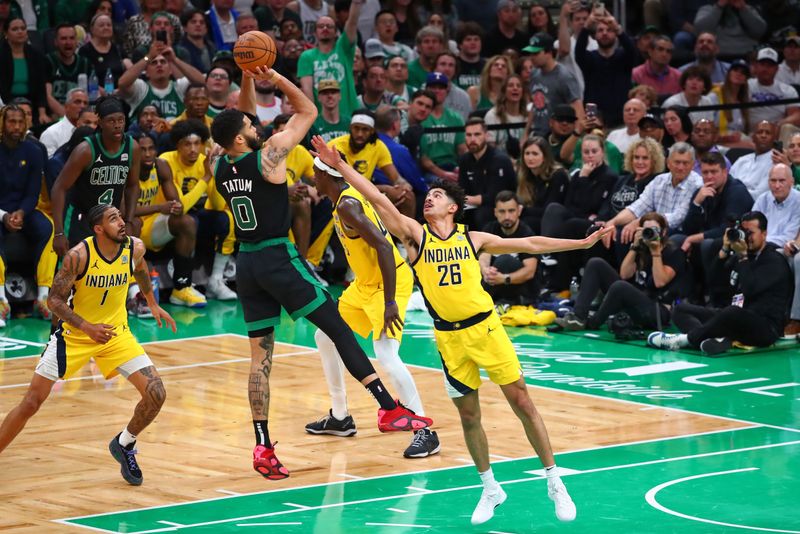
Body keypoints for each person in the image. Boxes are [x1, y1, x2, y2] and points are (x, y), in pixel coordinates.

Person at [310, 134, 608, 526]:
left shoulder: (474, 238)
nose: (429, 198)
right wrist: (342, 166)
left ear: (453, 207)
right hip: (448, 338)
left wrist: (580, 242)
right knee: (469, 417)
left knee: (522, 403)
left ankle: (555, 482)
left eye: (436, 195)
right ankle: (490, 488)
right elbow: (379, 200)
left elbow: (531, 242)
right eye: (428, 195)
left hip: (486, 330)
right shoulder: (415, 236)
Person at [209, 66, 432, 479]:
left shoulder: (221, 165)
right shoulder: (271, 155)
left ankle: (262, 447)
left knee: (260, 360)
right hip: (279, 257)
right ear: (242, 137)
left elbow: (238, 122)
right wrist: (273, 76)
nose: (256, 123)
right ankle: (387, 409)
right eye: (250, 123)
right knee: (337, 328)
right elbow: (308, 109)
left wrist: (244, 77)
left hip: (248, 265)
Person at [0, 203, 176, 485]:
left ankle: (125, 443)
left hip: (116, 334)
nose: (121, 222)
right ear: (98, 229)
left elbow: (140, 269)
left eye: (120, 216)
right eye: (113, 219)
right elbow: (54, 300)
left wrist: (152, 303)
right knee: (31, 402)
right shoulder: (77, 256)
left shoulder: (134, 247)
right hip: (75, 337)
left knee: (157, 393)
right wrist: (86, 327)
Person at [307, 151, 439, 458]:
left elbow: (382, 245)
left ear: (328, 176)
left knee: (386, 355)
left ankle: (425, 431)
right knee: (324, 335)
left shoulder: (349, 206)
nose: (313, 177)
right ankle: (340, 417)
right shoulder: (343, 198)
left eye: (316, 172)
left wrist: (391, 301)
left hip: (387, 284)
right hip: (364, 285)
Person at [649, 211, 792, 355]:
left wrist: (742, 258)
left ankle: (686, 340)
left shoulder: (774, 260)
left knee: (731, 312)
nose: (746, 237)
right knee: (681, 309)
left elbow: (750, 289)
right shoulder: (742, 255)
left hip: (765, 327)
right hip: (734, 318)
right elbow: (712, 280)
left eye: (750, 233)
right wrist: (724, 249)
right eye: (743, 232)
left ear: (764, 234)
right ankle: (711, 339)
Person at [557, 212, 684, 331]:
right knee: (596, 263)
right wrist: (634, 246)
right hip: (634, 301)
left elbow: (660, 282)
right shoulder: (641, 248)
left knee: (620, 286)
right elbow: (624, 275)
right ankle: (578, 317)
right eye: (646, 230)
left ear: (664, 232)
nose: (650, 233)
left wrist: (655, 252)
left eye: (655, 230)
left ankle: (593, 322)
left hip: (657, 310)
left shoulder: (674, 252)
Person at [51, 97, 141, 257]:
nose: (118, 125)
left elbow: (133, 185)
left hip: (110, 218)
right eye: (111, 121)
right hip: (81, 216)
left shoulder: (132, 147)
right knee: (73, 271)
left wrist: (129, 220)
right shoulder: (85, 150)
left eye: (121, 120)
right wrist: (58, 232)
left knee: (106, 272)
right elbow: (59, 187)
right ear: (100, 122)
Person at [0, 103, 53, 327]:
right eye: (11, 121)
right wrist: (4, 216)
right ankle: (1, 300)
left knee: (49, 228)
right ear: (2, 124)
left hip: (24, 209)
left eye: (21, 122)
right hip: (0, 211)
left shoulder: (34, 150)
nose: (17, 126)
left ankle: (43, 296)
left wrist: (21, 213)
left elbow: (33, 192)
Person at [679, 151, 754, 305]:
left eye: (714, 172)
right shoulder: (702, 192)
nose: (709, 177)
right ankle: (687, 295)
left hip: (735, 239)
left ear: (724, 172)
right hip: (712, 238)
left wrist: (694, 238)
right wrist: (696, 203)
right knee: (676, 240)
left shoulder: (736, 191)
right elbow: (688, 228)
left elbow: (727, 229)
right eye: (705, 172)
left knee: (707, 244)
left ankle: (712, 297)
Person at [602, 142, 703, 244]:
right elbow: (637, 207)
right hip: (654, 226)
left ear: (693, 165)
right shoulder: (659, 180)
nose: (681, 167)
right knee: (622, 233)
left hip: (679, 231)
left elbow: (678, 217)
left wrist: (641, 221)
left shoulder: (697, 184)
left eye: (685, 163)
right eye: (677, 162)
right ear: (668, 162)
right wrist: (613, 222)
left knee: (644, 233)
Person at [329, 110, 415, 217]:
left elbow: (396, 178)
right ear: (350, 128)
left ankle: (407, 233)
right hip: (340, 193)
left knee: (407, 196)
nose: (360, 134)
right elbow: (345, 184)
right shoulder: (335, 146)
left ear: (372, 131)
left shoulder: (378, 146)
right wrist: (384, 188)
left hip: (368, 193)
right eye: (356, 128)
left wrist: (404, 185)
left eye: (365, 129)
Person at [297, 3, 361, 120]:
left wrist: (357, 3)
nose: (325, 28)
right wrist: (314, 118)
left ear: (336, 32)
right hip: (322, 118)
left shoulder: (343, 49)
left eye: (329, 26)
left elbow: (352, 22)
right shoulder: (306, 56)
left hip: (349, 114)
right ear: (315, 32)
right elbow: (307, 91)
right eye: (321, 26)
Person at [118, 40, 206, 122]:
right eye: (154, 62)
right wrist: (148, 57)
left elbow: (202, 82)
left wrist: (174, 59)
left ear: (170, 70)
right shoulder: (141, 88)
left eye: (163, 62)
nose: (159, 65)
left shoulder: (179, 86)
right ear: (147, 72)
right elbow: (122, 83)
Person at [575, 11, 636, 127]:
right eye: (600, 30)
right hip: (595, 117)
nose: (604, 33)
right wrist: (587, 27)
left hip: (621, 117)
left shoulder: (623, 56)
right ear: (594, 36)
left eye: (609, 30)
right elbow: (579, 52)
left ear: (615, 34)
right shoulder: (589, 58)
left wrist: (617, 28)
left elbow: (631, 50)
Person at [479, 191, 539, 305]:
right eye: (502, 211)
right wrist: (485, 270)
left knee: (504, 260)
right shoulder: (490, 229)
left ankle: (480, 303)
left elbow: (529, 271)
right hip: (496, 285)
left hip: (523, 290)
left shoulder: (527, 233)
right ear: (495, 212)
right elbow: (484, 257)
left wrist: (504, 278)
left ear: (519, 211)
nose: (507, 216)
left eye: (511, 211)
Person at [458, 117, 516, 230]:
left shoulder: (499, 160)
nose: (472, 139)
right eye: (468, 135)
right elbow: (462, 189)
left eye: (477, 134)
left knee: (482, 214)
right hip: (473, 205)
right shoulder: (464, 159)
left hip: (500, 205)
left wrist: (463, 198)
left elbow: (493, 196)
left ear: (486, 135)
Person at [523, 32, 582, 138]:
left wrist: (575, 137)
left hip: (558, 135)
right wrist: (526, 133)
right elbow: (534, 106)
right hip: (537, 133)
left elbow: (577, 107)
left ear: (548, 53)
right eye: (530, 54)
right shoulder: (534, 74)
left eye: (536, 53)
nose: (532, 57)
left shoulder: (564, 76)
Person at [0, 17, 49, 126]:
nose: (20, 32)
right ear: (6, 33)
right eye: (15, 29)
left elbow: (41, 86)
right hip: (5, 104)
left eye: (23, 28)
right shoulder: (1, 55)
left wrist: (42, 113)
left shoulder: (36, 55)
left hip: (31, 104)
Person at [516, 136, 568, 235]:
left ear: (545, 156)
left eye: (535, 154)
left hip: (555, 221)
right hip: (533, 217)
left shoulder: (558, 175)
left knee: (524, 223)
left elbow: (549, 211)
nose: (530, 158)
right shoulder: (524, 176)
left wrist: (522, 211)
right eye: (527, 153)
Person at [420, 72, 466, 182]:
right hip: (429, 170)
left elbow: (462, 150)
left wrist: (461, 169)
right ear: (426, 89)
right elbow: (423, 159)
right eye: (433, 87)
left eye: (441, 88)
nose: (437, 91)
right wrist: (444, 174)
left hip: (452, 166)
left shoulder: (456, 118)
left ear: (447, 91)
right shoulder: (421, 117)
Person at [45, 23, 92, 119]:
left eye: (72, 38)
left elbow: (93, 93)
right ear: (56, 42)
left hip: (80, 117)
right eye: (63, 38)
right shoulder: (48, 61)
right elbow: (47, 96)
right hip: (56, 117)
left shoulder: (85, 63)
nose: (68, 42)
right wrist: (67, 117)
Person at [747, 47, 800, 128]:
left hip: (777, 133)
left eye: (770, 66)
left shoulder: (787, 90)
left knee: (789, 128)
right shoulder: (745, 85)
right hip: (750, 133)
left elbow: (796, 116)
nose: (765, 69)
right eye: (762, 64)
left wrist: (777, 125)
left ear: (776, 69)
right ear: (756, 66)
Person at [694, 0, 767, 58]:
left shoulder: (749, 9)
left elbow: (759, 31)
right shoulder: (707, 9)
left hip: (746, 55)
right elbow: (701, 31)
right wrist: (719, 7)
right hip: (718, 56)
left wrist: (743, 9)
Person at [729, 121, 778, 199]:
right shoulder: (741, 160)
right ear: (753, 137)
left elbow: (759, 195)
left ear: (775, 138)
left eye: (768, 133)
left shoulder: (776, 163)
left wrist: (734, 192)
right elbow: (726, 184)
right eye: (760, 132)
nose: (763, 135)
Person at [79, 14, 133, 83]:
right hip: (95, 91)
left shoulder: (118, 49)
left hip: (120, 91)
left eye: (109, 25)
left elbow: (130, 71)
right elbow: (84, 78)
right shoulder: (85, 50)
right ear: (92, 29)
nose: (106, 28)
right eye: (101, 25)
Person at [710, 58, 751, 145]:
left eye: (743, 73)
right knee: (751, 146)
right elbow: (707, 127)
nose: (739, 74)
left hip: (737, 141)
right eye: (735, 70)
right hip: (718, 142)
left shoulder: (743, 101)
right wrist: (725, 138)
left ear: (745, 79)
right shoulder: (715, 95)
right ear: (728, 74)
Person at [484, 74, 527, 155]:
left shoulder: (528, 117)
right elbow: (490, 150)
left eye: (518, 86)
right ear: (504, 91)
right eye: (511, 85)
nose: (515, 88)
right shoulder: (492, 116)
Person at [40, 89, 89, 157]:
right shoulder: (51, 133)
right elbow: (51, 165)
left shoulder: (92, 132)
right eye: (77, 102)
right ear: (66, 107)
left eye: (85, 103)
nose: (82, 106)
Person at [406, 25, 445, 89]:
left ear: (441, 46)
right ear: (419, 46)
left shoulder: (447, 68)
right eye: (426, 41)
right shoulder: (409, 70)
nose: (430, 45)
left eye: (434, 41)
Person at [311, 79, 349, 143]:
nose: (330, 96)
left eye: (333, 92)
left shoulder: (349, 123)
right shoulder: (313, 125)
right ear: (318, 97)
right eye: (325, 93)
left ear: (340, 96)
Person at [455, 21, 485, 91]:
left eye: (476, 39)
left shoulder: (487, 66)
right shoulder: (453, 64)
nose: (473, 43)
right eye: (468, 39)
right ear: (460, 45)